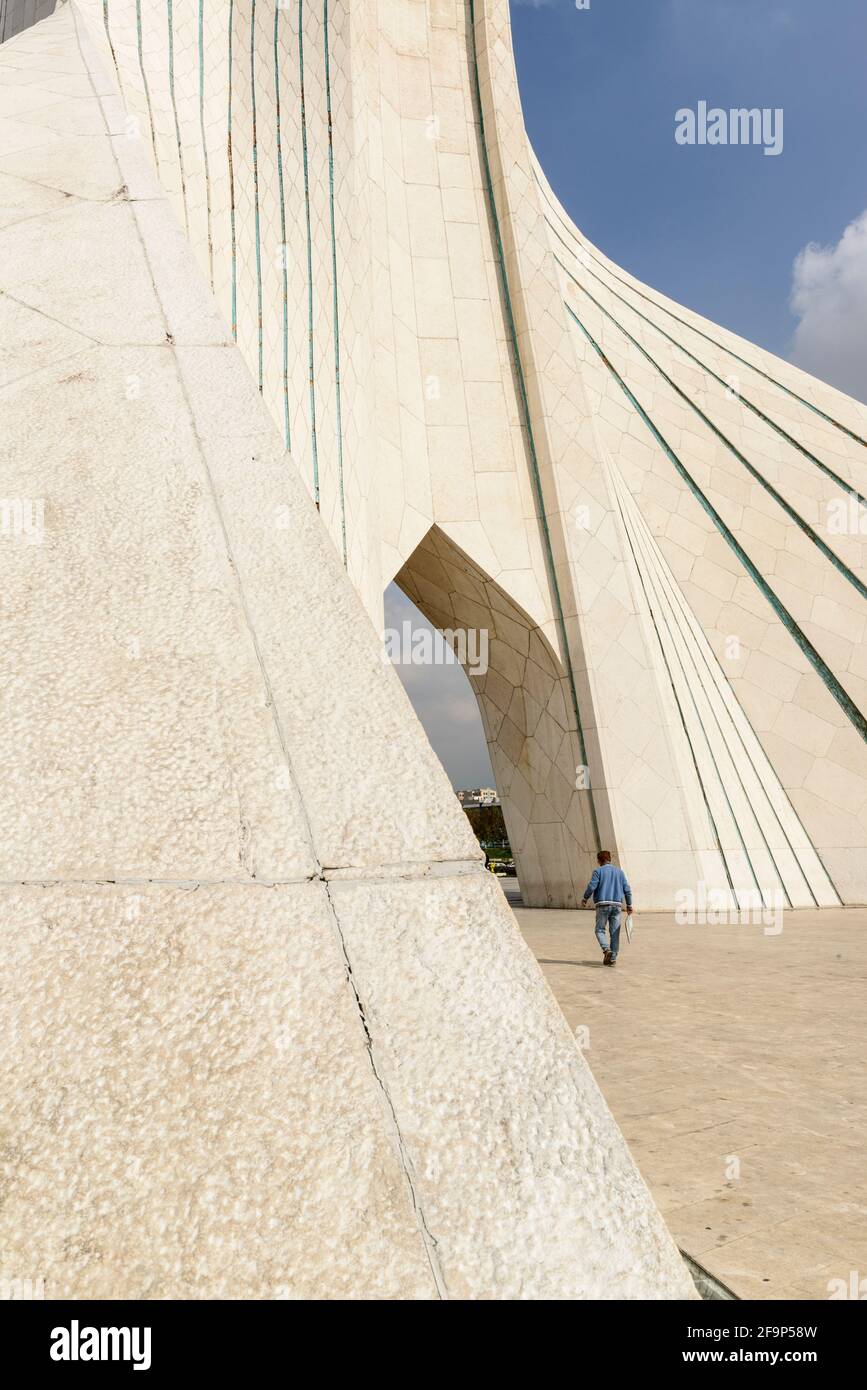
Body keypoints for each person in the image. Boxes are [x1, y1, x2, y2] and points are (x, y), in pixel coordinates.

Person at [581, 850, 632, 967]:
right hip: (617, 906)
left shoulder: (598, 871)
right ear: (610, 859)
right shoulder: (620, 872)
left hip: (602, 905)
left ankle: (606, 950)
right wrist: (629, 905)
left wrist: (585, 898)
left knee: (599, 930)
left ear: (599, 861)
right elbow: (627, 890)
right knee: (614, 933)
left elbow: (592, 886)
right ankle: (612, 958)